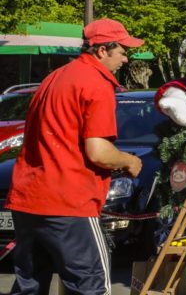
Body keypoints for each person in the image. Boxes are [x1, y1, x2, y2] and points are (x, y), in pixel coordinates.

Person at [6, 18, 144, 294]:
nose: (126, 59)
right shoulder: (96, 83)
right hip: (69, 201)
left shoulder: (54, 77)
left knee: (29, 285)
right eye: (122, 51)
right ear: (102, 50)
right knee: (91, 286)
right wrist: (129, 160)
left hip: (29, 198)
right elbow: (99, 152)